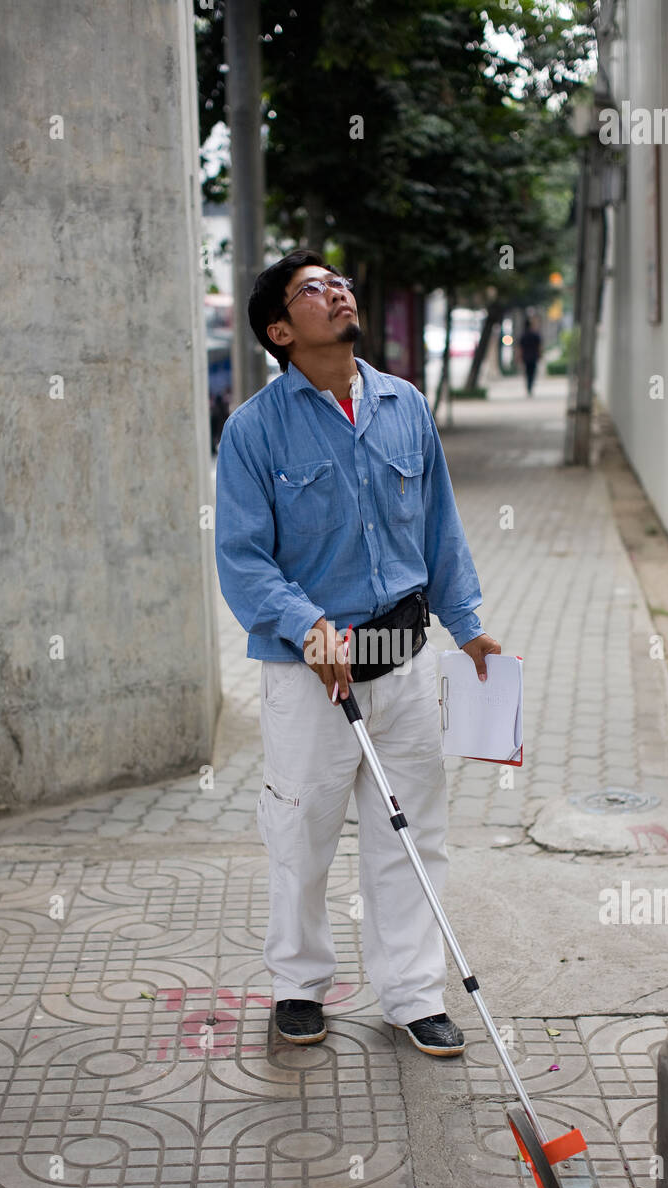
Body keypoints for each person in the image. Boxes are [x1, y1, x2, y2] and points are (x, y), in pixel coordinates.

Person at [214, 249, 501, 1057]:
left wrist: (466, 620)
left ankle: (412, 995)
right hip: (310, 675)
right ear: (280, 330)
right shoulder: (253, 431)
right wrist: (306, 622)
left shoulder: (404, 403)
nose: (337, 289)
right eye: (312, 289)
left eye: (337, 279)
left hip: (402, 659)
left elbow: (439, 524)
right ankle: (300, 985)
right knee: (301, 832)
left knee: (411, 834)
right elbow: (241, 557)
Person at [518, 317, 542, 395]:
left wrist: (519, 356)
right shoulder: (535, 335)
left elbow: (520, 348)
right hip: (534, 356)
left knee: (527, 372)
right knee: (532, 372)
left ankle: (528, 386)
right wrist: (540, 354)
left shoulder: (523, 336)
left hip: (526, 357)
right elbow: (539, 346)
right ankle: (530, 386)